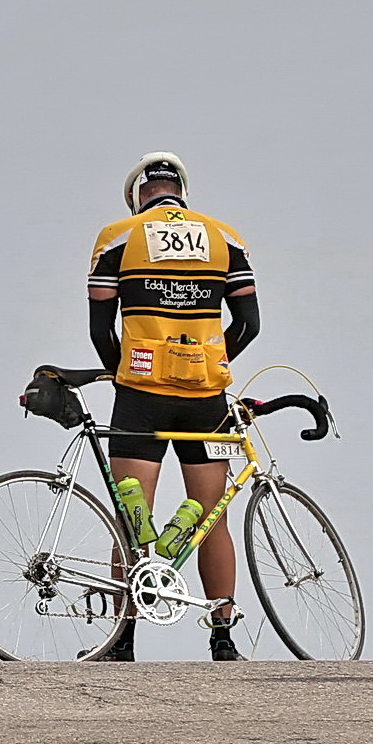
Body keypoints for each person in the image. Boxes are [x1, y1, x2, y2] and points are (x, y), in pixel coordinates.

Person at [86, 153, 260, 661]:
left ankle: (122, 640)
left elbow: (99, 330)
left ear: (137, 195)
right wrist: (209, 363)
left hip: (140, 396)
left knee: (130, 518)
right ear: (181, 190)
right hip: (206, 399)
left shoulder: (117, 237)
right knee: (211, 519)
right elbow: (249, 324)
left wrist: (125, 375)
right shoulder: (226, 238)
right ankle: (222, 637)